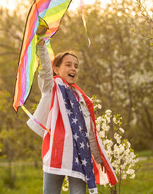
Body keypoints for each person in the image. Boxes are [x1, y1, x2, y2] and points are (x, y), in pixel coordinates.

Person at [26, 23, 117, 194]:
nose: (73, 68)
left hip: (79, 154)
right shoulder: (52, 87)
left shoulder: (81, 98)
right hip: (57, 152)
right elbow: (45, 68)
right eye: (68, 64)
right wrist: (41, 43)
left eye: (76, 66)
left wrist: (98, 158)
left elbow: (88, 131)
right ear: (57, 69)